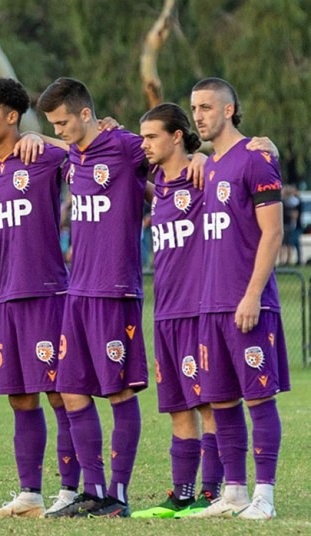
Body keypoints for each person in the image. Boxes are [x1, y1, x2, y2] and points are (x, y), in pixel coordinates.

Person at [36, 78, 148, 518]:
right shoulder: (73, 153)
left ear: (86, 114)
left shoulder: (124, 146)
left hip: (114, 289)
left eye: (63, 121)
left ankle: (118, 495)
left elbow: (172, 152)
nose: (59, 130)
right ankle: (94, 489)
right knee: (70, 390)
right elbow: (57, 145)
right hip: (77, 290)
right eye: (53, 124)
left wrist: (253, 146)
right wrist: (33, 135)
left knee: (118, 393)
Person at [0, 78, 79, 518]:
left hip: (47, 291)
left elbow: (91, 151)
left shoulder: (42, 154)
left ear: (12, 116)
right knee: (19, 395)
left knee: (57, 393)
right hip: (9, 294)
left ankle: (72, 490)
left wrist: (42, 134)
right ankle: (30, 495)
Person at [189, 77, 288, 520]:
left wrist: (251, 295)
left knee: (258, 399)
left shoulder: (257, 158)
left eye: (207, 107)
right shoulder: (208, 167)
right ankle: (234, 491)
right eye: (194, 108)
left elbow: (273, 232)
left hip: (248, 304)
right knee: (222, 400)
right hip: (211, 304)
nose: (198, 116)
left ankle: (263, 495)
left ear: (229, 110)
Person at [130, 103, 224, 519]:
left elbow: (252, 158)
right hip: (164, 312)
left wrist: (206, 156)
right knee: (177, 407)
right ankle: (182, 495)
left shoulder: (204, 176)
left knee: (208, 404)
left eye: (151, 137)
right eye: (143, 137)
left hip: (197, 311)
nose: (144, 144)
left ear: (177, 137)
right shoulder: (155, 183)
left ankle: (213, 492)